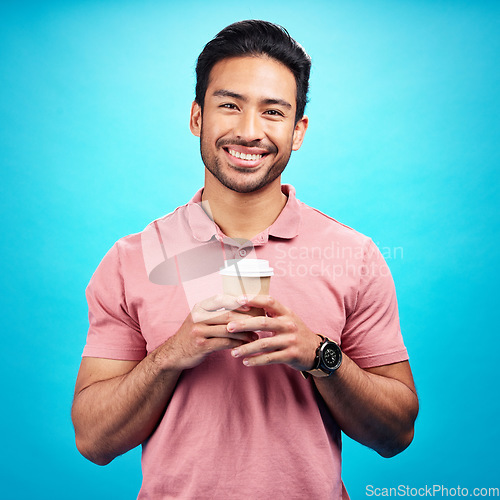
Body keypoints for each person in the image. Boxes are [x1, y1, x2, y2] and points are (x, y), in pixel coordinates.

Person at [72, 20, 419, 499]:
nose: (249, 131)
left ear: (298, 131)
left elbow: (396, 434)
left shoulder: (354, 256)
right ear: (197, 117)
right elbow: (93, 441)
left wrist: (320, 356)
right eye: (229, 105)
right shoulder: (132, 259)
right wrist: (172, 355)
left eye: (273, 112)